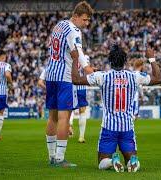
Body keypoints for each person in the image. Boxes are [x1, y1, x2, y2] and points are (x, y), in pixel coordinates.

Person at [71, 45, 161, 172]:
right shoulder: (134, 76)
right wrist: (151, 58)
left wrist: (75, 59)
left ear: (110, 61)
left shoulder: (102, 76)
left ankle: (111, 161)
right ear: (125, 61)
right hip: (127, 128)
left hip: (109, 128)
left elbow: (75, 79)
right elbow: (158, 78)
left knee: (102, 162)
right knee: (130, 158)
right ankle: (133, 162)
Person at [44, 1, 94, 167]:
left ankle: (51, 156)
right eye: (85, 20)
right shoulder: (74, 30)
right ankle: (59, 159)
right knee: (64, 117)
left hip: (51, 74)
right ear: (76, 16)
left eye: (88, 21)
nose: (86, 24)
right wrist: (87, 68)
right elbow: (77, 52)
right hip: (65, 77)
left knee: (52, 116)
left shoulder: (59, 25)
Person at [69, 55, 90, 143]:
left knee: (69, 109)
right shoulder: (85, 57)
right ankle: (81, 137)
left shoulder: (69, 55)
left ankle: (69, 125)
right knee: (82, 110)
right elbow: (87, 70)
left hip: (70, 85)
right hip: (81, 85)